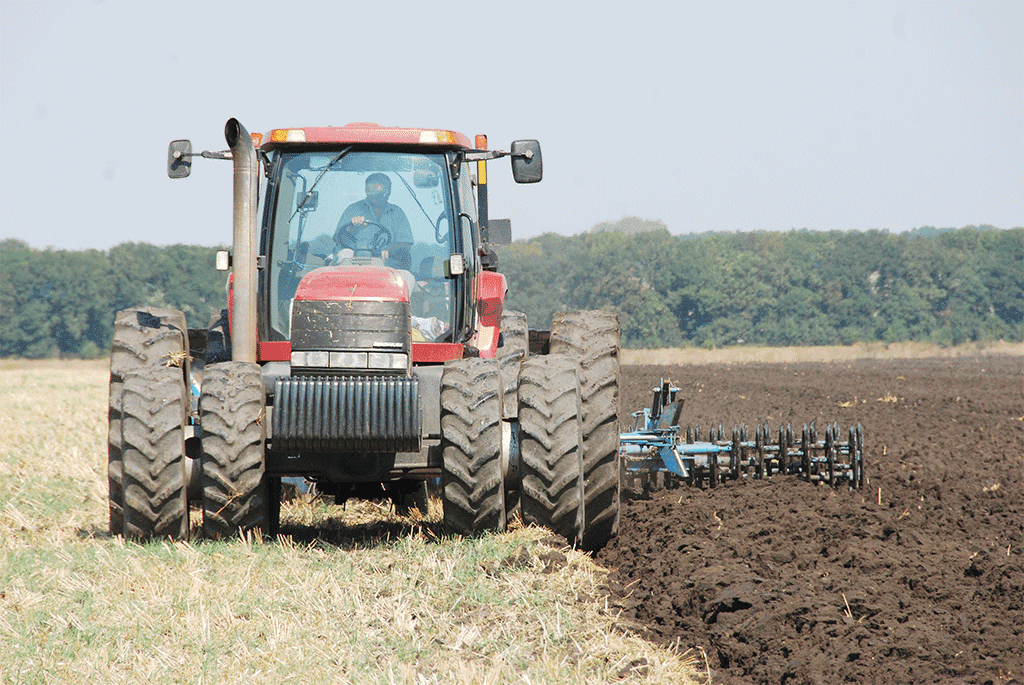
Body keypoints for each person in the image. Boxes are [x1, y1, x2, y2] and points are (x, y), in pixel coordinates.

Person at [334, 173, 413, 269]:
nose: (376, 196)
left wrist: (389, 249)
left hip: (388, 267)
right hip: (354, 265)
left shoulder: (397, 213)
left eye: (380, 192)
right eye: (371, 192)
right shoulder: (353, 209)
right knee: (344, 254)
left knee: (405, 276)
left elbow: (405, 244)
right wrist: (352, 228)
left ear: (388, 192)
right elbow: (338, 239)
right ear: (366, 191)